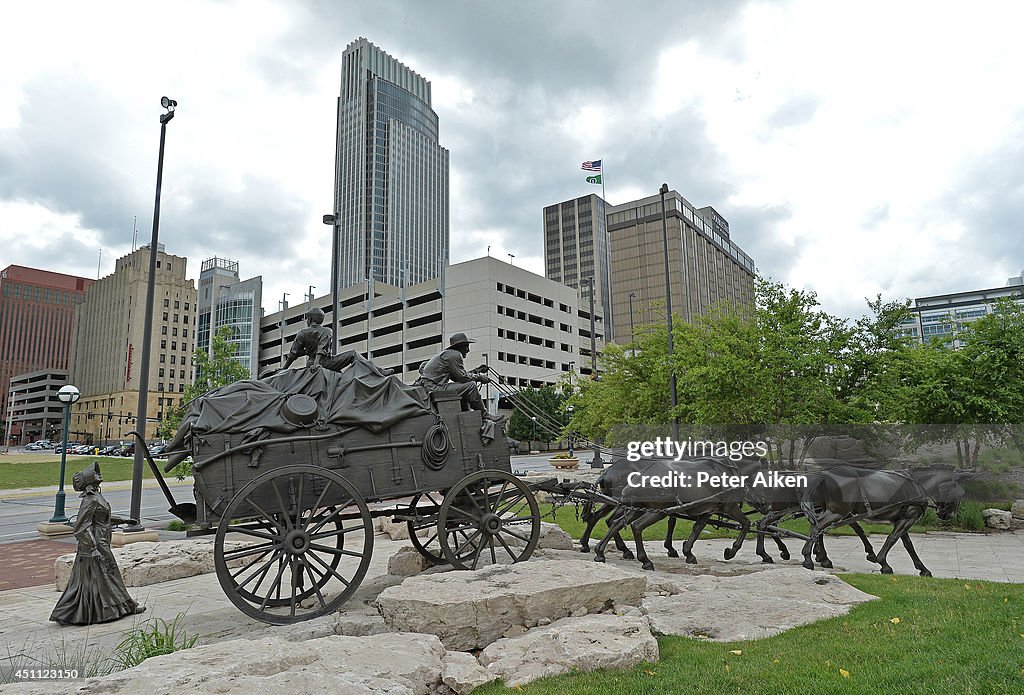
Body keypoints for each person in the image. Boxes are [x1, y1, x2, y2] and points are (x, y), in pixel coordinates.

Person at [50, 462, 146, 625]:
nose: (98, 474)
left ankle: (109, 610)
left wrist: (123, 520)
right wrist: (93, 548)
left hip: (101, 540)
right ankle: (122, 607)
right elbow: (80, 528)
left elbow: (101, 518)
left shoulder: (96, 497)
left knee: (97, 578)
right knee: (107, 574)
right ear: (88, 480)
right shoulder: (90, 500)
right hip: (95, 544)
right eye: (95, 473)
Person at [278, 307, 393, 376]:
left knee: (341, 378)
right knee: (353, 354)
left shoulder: (302, 333)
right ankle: (378, 372)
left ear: (310, 319)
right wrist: (317, 364)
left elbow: (293, 353)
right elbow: (321, 349)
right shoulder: (326, 331)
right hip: (324, 363)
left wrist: (284, 368)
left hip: (312, 363)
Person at [416, 333, 504, 422]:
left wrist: (476, 370)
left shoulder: (448, 354)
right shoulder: (454, 354)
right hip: (434, 388)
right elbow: (462, 377)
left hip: (431, 387)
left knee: (465, 387)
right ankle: (485, 415)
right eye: (466, 346)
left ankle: (466, 415)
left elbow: (458, 377)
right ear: (460, 346)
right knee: (471, 386)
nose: (468, 350)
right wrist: (479, 377)